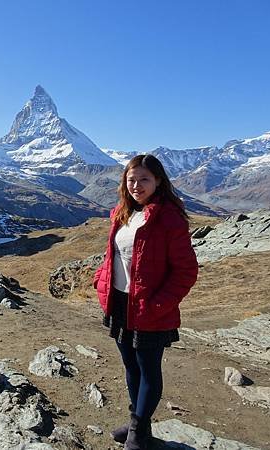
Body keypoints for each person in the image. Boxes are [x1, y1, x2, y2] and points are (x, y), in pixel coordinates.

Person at [93, 154, 198, 450]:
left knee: (148, 369)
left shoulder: (168, 218)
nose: (136, 185)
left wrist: (159, 304)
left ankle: (139, 434)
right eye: (131, 179)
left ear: (158, 181)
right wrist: (101, 278)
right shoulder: (123, 212)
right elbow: (113, 255)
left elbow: (186, 270)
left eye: (144, 179)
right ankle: (138, 423)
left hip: (149, 307)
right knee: (130, 365)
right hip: (120, 303)